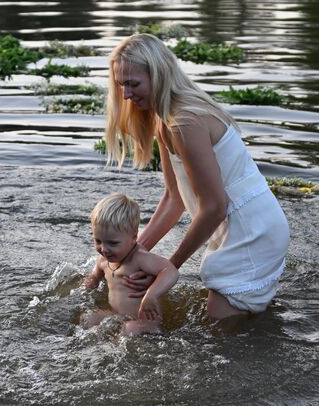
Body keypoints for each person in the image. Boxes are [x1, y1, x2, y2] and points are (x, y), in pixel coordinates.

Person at [105, 33, 290, 320]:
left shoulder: (185, 122)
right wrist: (132, 254)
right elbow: (173, 199)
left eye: (133, 84)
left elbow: (215, 206)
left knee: (217, 336)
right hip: (245, 225)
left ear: (158, 74)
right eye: (121, 85)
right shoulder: (164, 120)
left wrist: (168, 268)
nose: (126, 95)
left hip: (252, 232)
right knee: (235, 324)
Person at [82, 193, 179, 334]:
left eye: (113, 243)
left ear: (133, 238)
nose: (104, 249)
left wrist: (151, 295)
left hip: (144, 322)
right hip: (116, 316)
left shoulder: (139, 258)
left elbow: (171, 271)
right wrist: (90, 283)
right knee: (87, 318)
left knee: (129, 329)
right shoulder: (103, 260)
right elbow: (94, 277)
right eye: (98, 241)